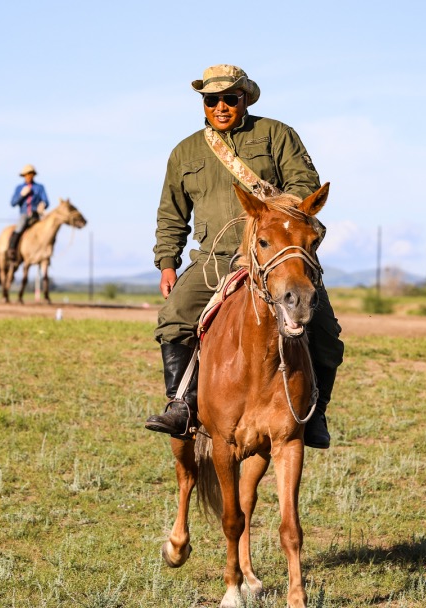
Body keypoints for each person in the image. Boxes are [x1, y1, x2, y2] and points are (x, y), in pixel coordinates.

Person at [145, 64, 344, 449]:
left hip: (276, 257)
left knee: (325, 334)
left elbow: (305, 187)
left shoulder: (276, 135)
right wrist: (167, 262)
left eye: (229, 98)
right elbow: (171, 213)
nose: (220, 106)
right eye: (211, 100)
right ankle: (183, 406)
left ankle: (314, 414)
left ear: (244, 98)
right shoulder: (184, 152)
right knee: (173, 320)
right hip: (213, 259)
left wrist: (269, 211)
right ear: (203, 103)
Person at [7, 164, 50, 261]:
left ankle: (46, 251)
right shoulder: (19, 188)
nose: (29, 176)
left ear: (33, 175)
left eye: (30, 174)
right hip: (25, 213)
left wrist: (43, 204)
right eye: (27, 174)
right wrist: (22, 195)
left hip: (36, 214)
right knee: (20, 226)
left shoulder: (39, 187)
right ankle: (12, 248)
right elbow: (13, 203)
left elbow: (46, 201)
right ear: (24, 175)